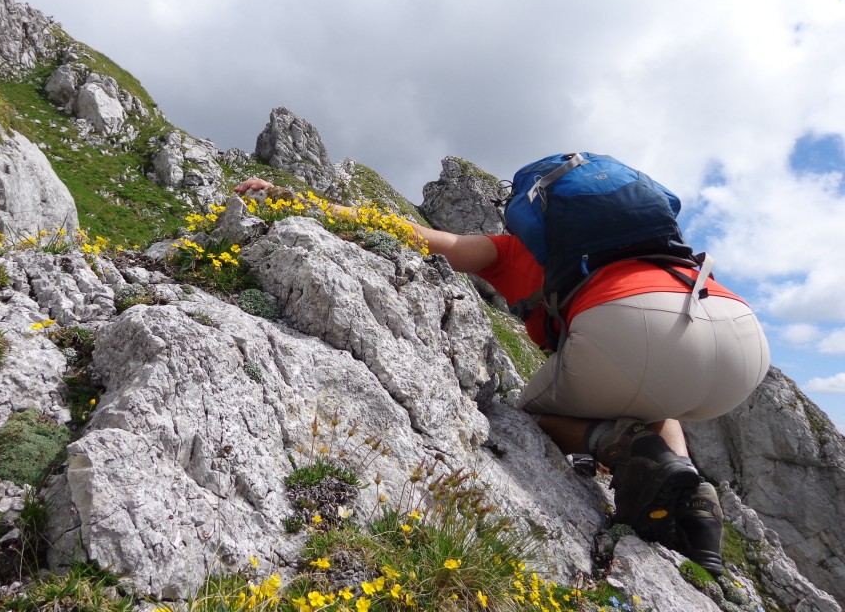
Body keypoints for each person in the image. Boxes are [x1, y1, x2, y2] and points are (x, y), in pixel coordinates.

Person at [233, 170, 770, 575]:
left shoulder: (516, 250)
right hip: (738, 335)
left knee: (521, 419)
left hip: (631, 327)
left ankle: (618, 443)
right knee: (659, 399)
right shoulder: (658, 251)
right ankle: (695, 503)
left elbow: (417, 235)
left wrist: (297, 201)